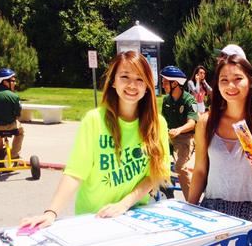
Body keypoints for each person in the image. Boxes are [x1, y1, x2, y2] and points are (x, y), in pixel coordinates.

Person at [21, 51, 170, 229]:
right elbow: (75, 173)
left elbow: (155, 174)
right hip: (93, 218)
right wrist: (51, 212)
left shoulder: (157, 124)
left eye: (140, 79)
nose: (132, 85)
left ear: (147, 86)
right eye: (125, 76)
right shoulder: (94, 120)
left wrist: (124, 204)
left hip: (134, 215)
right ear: (113, 81)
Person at [188, 54, 252, 246]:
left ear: (250, 80)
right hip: (211, 212)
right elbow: (200, 170)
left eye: (237, 78)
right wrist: (189, 210)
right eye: (224, 80)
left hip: (250, 215)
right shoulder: (206, 122)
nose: (231, 86)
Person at [160, 65, 198, 199]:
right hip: (168, 137)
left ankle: (191, 202)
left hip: (186, 138)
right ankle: (165, 196)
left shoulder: (189, 100)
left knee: (181, 168)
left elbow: (192, 122)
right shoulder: (166, 100)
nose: (163, 85)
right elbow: (162, 120)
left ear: (175, 83)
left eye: (165, 82)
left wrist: (179, 130)